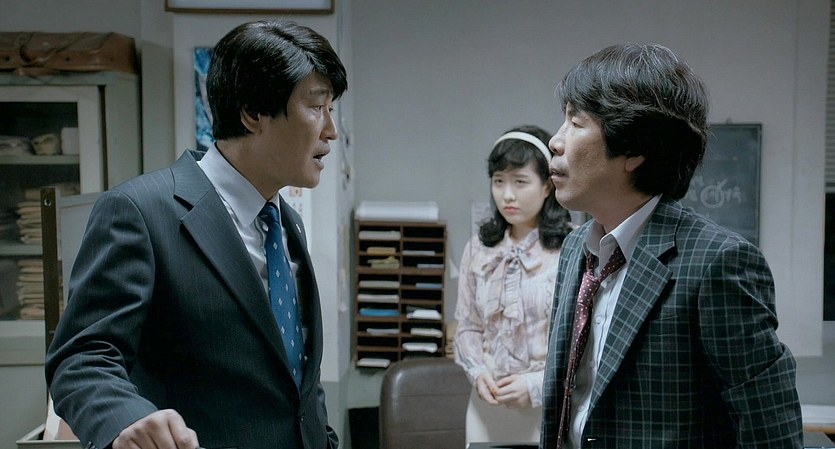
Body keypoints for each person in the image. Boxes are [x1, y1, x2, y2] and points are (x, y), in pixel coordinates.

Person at [45, 19, 347, 449]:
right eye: (317, 107)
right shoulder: (141, 212)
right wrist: (128, 420)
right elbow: (82, 357)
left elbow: (297, 382)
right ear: (252, 113)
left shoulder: (285, 222)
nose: (331, 130)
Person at [541, 43, 803, 448]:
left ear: (634, 149)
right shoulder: (577, 247)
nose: (555, 142)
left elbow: (770, 431)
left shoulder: (717, 262)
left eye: (576, 123)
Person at [454, 125, 573, 444]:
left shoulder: (571, 249)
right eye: (499, 181)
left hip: (549, 405)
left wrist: (535, 385)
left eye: (520, 182)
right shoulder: (478, 248)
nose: (507, 194)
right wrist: (478, 372)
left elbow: (581, 340)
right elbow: (467, 326)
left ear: (547, 186)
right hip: (487, 406)